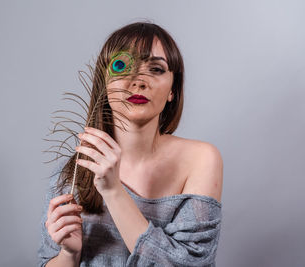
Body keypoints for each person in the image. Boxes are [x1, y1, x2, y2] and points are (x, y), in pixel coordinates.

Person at [38, 21, 223, 267]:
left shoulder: (200, 159)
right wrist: (69, 255)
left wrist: (114, 191)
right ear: (104, 83)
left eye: (156, 69)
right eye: (121, 65)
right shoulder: (73, 172)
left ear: (173, 91)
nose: (138, 81)